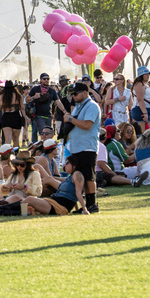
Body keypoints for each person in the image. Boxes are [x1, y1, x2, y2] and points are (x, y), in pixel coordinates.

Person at [64, 81, 101, 213]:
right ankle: (86, 205)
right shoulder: (79, 106)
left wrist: (70, 119)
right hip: (77, 147)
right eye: (72, 94)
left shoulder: (92, 106)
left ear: (85, 93)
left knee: (89, 176)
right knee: (82, 177)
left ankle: (92, 204)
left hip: (87, 146)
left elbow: (87, 125)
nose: (73, 96)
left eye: (76, 94)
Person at [22, 158, 88, 216]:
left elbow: (78, 193)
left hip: (59, 207)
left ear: (74, 165)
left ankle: (15, 210)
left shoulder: (77, 174)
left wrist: (84, 210)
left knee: (29, 200)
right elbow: (73, 194)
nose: (65, 165)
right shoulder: (70, 177)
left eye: (67, 163)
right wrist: (77, 209)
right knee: (28, 207)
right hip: (54, 202)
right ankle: (19, 212)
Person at [0, 81, 26, 149]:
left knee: (7, 139)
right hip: (16, 116)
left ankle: (6, 156)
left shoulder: (2, 96)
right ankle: (16, 154)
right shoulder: (18, 96)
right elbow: (22, 108)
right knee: (16, 139)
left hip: (6, 116)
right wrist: (24, 118)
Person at [131, 67, 150, 131]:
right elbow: (140, 99)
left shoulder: (144, 84)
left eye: (149, 74)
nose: (148, 76)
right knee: (146, 134)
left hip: (149, 111)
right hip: (142, 111)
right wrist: (145, 113)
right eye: (146, 74)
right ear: (141, 75)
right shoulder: (139, 84)